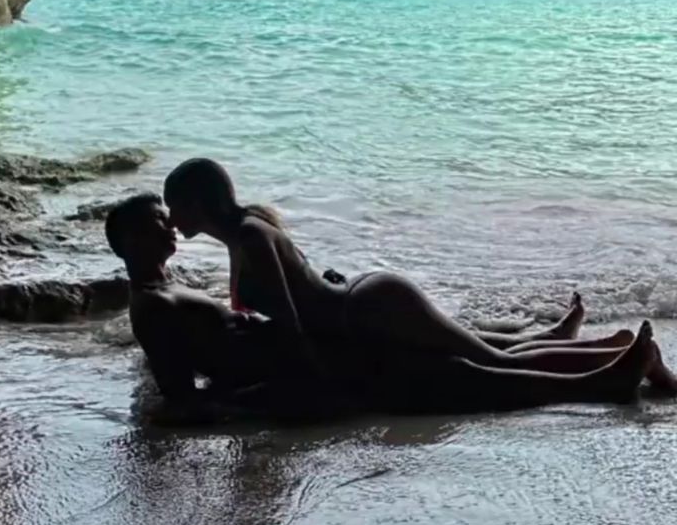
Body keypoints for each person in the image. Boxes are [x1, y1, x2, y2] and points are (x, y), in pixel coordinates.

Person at [105, 192, 665, 422]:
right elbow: (183, 396)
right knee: (468, 371)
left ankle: (603, 371)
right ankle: (601, 370)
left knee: (472, 365)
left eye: (171, 214)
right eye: (159, 223)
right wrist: (273, 398)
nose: (172, 227)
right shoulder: (153, 305)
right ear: (129, 240)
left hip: (332, 352)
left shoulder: (170, 287)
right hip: (325, 369)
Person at [163, 158, 677, 393]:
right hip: (367, 306)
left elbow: (295, 322)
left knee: (487, 361)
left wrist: (313, 383)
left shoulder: (250, 235)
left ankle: (614, 372)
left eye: (172, 206)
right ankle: (612, 351)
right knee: (480, 354)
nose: (169, 218)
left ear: (196, 202)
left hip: (371, 309)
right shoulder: (244, 232)